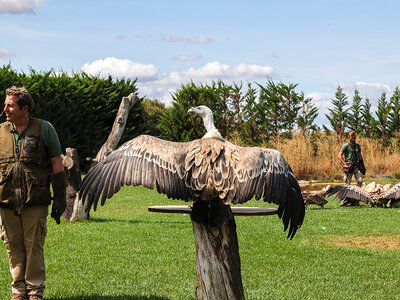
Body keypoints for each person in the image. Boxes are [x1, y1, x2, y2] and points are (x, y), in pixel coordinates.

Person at [0, 86, 66, 300]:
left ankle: (35, 291)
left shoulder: (44, 129)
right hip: (6, 199)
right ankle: (18, 292)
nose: (5, 109)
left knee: (34, 244)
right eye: (5, 105)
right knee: (13, 245)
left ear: (24, 108)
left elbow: (57, 164)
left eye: (10, 105)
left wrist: (60, 198)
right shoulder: (0, 131)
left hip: (35, 199)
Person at [338, 131, 364, 206]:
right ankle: (345, 199)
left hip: (356, 166)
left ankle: (355, 198)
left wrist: (362, 165)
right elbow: (339, 155)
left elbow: (360, 155)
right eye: (352, 137)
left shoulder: (358, 146)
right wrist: (344, 163)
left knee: (360, 180)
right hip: (349, 167)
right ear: (349, 137)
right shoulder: (345, 145)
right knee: (347, 184)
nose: (353, 138)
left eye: (354, 137)